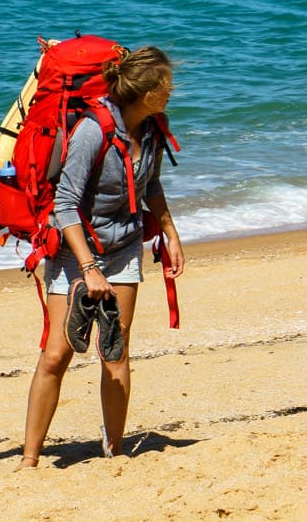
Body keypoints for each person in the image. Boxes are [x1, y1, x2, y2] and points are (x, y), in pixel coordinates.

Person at [21, 45, 185, 468]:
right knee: (58, 353)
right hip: (78, 249)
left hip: (125, 246)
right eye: (166, 84)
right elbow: (65, 204)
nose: (172, 90)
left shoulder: (152, 128)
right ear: (144, 90)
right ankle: (29, 457)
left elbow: (150, 187)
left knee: (115, 349)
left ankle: (113, 451)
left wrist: (170, 233)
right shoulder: (93, 131)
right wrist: (89, 269)